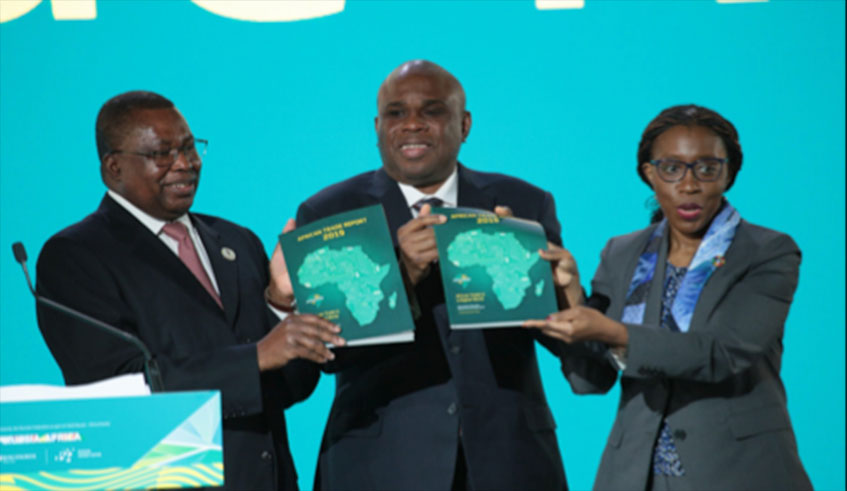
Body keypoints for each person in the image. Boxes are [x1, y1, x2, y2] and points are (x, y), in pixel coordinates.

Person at [267, 60, 606, 490]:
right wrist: (401, 273)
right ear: (377, 127)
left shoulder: (524, 202)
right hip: (379, 468)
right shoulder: (330, 212)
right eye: (396, 113)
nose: (412, 124)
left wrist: (567, 297)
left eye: (432, 111)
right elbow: (328, 357)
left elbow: (587, 372)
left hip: (509, 466)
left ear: (464, 125)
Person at [35, 91, 345, 490]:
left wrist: (280, 304)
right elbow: (114, 393)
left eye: (189, 147)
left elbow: (289, 388)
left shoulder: (237, 240)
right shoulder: (76, 256)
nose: (185, 163)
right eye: (162, 153)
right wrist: (256, 357)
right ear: (114, 168)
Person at [525, 104, 812, 490]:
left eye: (707, 168)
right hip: (634, 475)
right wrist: (570, 296)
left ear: (728, 173)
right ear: (650, 174)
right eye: (672, 168)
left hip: (737, 472)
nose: (689, 184)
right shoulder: (621, 253)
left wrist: (614, 332)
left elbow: (719, 353)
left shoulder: (767, 252)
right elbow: (590, 380)